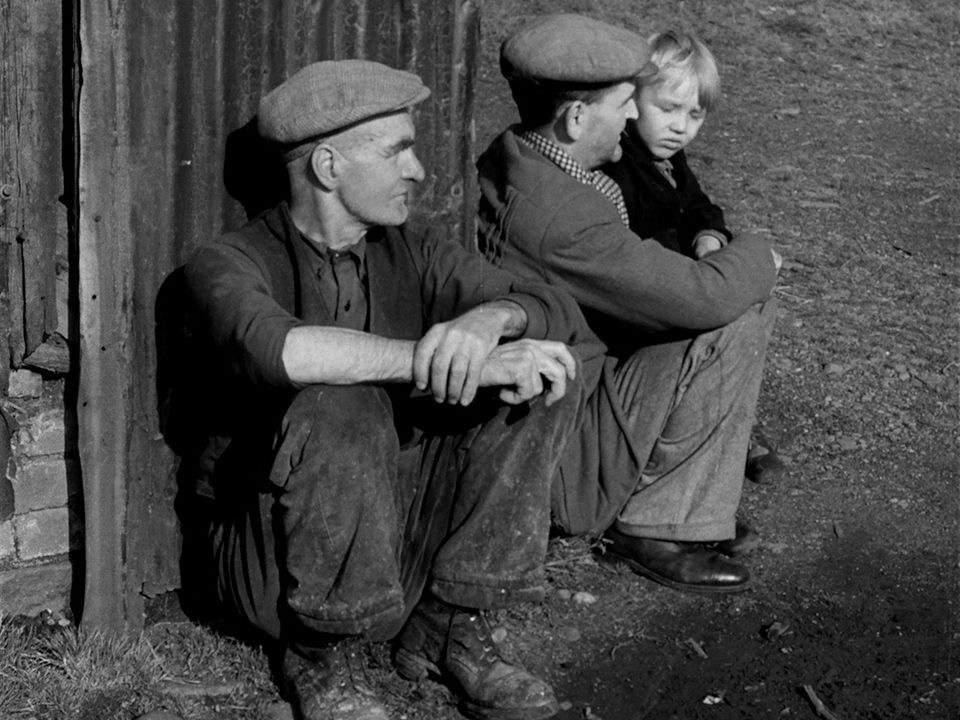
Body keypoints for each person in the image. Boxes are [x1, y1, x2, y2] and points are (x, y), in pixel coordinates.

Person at [184, 59, 597, 720]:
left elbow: (554, 310)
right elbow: (281, 350)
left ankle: (450, 626)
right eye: (397, 150)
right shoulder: (228, 262)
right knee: (338, 401)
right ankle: (322, 655)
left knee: (537, 371)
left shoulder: (415, 249)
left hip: (400, 534)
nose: (418, 169)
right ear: (327, 167)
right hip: (279, 559)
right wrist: (425, 357)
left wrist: (490, 323)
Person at [476, 14, 780, 596]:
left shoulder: (521, 155)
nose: (636, 115)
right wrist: (761, 256)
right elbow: (703, 295)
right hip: (564, 448)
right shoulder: (565, 215)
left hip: (569, 389)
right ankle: (656, 523)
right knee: (737, 311)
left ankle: (692, 503)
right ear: (575, 117)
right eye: (625, 104)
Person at [602, 29, 784, 483]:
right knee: (734, 314)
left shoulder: (669, 158)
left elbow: (701, 206)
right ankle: (691, 449)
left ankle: (731, 425)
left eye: (695, 115)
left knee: (749, 299)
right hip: (643, 315)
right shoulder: (618, 166)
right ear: (632, 99)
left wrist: (709, 237)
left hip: (685, 285)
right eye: (668, 109)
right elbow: (633, 259)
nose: (681, 127)